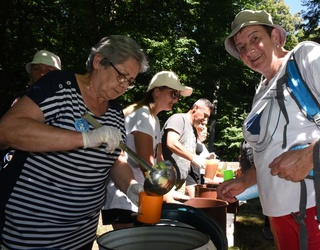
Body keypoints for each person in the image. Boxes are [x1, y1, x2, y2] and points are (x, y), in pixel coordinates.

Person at [216, 10, 320, 249]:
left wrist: (309, 156)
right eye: (241, 46)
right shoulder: (261, 90)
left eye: (254, 38)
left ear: (276, 36)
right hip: (280, 214)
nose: (248, 50)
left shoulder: (305, 56)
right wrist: (245, 181)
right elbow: (273, 153)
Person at [0, 35, 149, 249]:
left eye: (130, 81)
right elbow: (7, 130)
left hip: (82, 235)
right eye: (122, 76)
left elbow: (116, 160)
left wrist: (131, 187)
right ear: (99, 61)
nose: (124, 86)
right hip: (32, 233)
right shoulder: (59, 87)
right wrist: (84, 139)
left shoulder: (115, 111)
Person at [102, 70, 193, 229]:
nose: (176, 99)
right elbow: (146, 164)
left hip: (139, 193)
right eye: (173, 93)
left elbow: (159, 161)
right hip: (124, 194)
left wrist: (168, 189)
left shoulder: (154, 118)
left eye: (178, 95)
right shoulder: (143, 114)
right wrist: (165, 193)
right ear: (156, 92)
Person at [1, 50, 62, 168]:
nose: (42, 73)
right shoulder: (20, 100)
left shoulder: (67, 102)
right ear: (31, 73)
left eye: (48, 70)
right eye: (37, 69)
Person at [161, 98, 213, 197]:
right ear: (195, 108)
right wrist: (194, 158)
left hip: (181, 181)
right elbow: (171, 142)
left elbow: (189, 154)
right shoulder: (179, 119)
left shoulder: (193, 129)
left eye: (207, 117)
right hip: (166, 179)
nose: (205, 121)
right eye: (205, 115)